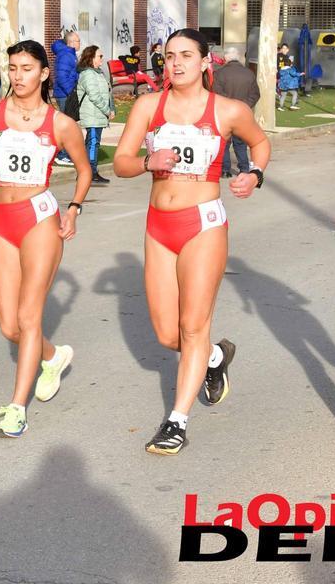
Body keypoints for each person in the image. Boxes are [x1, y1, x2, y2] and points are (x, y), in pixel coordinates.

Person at [113, 28, 270, 455]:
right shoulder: (148, 106)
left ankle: (176, 422)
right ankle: (215, 357)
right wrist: (147, 162)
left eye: (186, 55)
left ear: (205, 62)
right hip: (158, 227)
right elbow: (121, 162)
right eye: (169, 56)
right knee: (169, 335)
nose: (176, 63)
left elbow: (259, 143)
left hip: (203, 224)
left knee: (193, 326)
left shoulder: (228, 110)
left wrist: (254, 174)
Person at [0, 40, 92, 438]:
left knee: (29, 318)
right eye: (13, 68)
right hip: (0, 221)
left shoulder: (60, 124)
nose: (18, 76)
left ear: (44, 74)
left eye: (27, 68)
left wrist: (74, 208)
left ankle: (17, 408)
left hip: (39, 218)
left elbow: (84, 169)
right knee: (9, 327)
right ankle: (54, 356)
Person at [212, 46, 259, 177]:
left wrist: (229, 106)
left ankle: (225, 170)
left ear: (226, 57)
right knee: (241, 143)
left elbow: (216, 93)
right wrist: (244, 106)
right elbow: (255, 94)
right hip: (242, 114)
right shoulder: (249, 73)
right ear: (238, 57)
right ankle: (244, 169)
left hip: (225, 114)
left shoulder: (219, 73)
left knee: (225, 143)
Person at [74, 44, 115, 185]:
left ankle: (86, 173)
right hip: (91, 114)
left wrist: (111, 109)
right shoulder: (88, 74)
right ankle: (90, 173)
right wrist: (107, 110)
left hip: (98, 115)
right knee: (92, 143)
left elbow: (107, 92)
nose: (102, 59)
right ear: (91, 57)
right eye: (100, 56)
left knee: (93, 143)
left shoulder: (98, 73)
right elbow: (95, 96)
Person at [52, 30, 81, 167]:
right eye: (78, 41)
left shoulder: (69, 54)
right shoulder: (65, 55)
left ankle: (66, 153)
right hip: (65, 95)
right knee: (67, 126)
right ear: (71, 42)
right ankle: (62, 155)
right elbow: (62, 77)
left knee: (70, 125)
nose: (80, 43)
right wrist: (71, 92)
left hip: (66, 94)